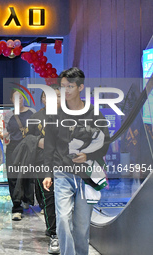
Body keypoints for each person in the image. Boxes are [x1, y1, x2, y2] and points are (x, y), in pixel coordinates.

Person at [42, 67, 110, 255]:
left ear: (80, 87)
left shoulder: (94, 114)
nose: (66, 90)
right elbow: (49, 147)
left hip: (86, 176)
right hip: (62, 173)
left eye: (70, 86)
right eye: (63, 86)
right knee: (63, 220)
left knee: (81, 228)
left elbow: (105, 141)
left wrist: (88, 156)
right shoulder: (54, 114)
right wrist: (48, 173)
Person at [27, 84, 61, 254]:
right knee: (49, 198)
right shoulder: (36, 117)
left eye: (57, 96)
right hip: (42, 163)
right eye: (48, 96)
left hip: (64, 164)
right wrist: (38, 140)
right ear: (42, 99)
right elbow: (27, 138)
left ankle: (64, 230)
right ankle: (53, 232)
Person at [5, 89, 36, 221]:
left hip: (29, 147)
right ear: (11, 100)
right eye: (15, 98)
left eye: (21, 98)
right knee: (13, 176)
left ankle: (26, 199)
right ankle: (16, 207)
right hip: (13, 147)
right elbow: (5, 132)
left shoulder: (32, 112)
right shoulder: (8, 115)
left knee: (27, 176)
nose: (19, 100)